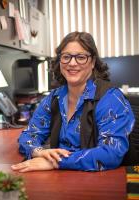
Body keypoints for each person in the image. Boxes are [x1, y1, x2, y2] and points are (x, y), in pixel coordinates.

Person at [11, 31, 135, 172]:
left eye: (81, 57)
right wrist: (39, 152)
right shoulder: (54, 97)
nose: (72, 63)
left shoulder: (110, 99)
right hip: (62, 180)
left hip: (99, 181)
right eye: (66, 57)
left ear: (93, 62)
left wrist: (56, 162)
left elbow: (111, 153)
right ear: (60, 61)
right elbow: (29, 135)